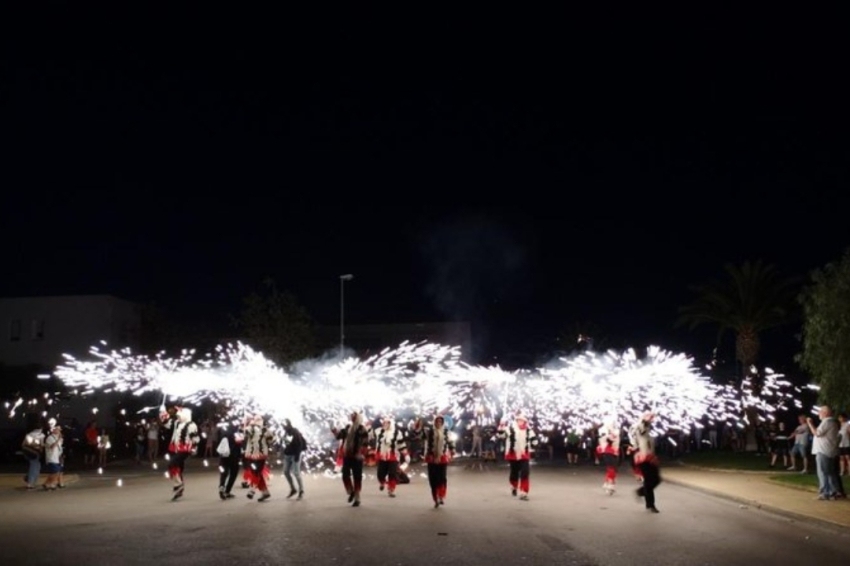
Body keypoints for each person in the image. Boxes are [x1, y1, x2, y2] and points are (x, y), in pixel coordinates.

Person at [414, 414, 455, 508]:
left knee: (442, 478)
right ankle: (435, 498)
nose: (439, 423)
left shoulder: (446, 432)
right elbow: (418, 435)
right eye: (437, 421)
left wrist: (452, 451)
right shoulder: (429, 432)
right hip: (431, 458)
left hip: (442, 458)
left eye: (440, 422)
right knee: (433, 479)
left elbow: (451, 442)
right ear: (434, 422)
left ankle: (441, 496)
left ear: (443, 423)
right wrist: (418, 426)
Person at [160, 406, 200, 501]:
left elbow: (195, 438)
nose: (178, 417)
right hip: (174, 448)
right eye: (177, 416)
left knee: (172, 464)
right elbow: (166, 423)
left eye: (179, 416)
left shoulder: (191, 425)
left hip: (185, 449)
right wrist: (163, 412)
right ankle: (180, 489)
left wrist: (194, 448)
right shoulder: (177, 423)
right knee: (179, 468)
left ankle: (178, 484)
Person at [496, 411, 538, 501]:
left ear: (525, 421)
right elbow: (501, 436)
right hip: (513, 454)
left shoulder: (529, 430)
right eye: (518, 420)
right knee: (514, 472)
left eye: (522, 420)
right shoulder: (510, 429)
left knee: (525, 472)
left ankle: (524, 492)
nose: (520, 422)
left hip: (524, 454)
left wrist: (534, 444)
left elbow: (534, 441)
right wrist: (501, 426)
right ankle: (514, 486)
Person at [332, 411, 370, 507]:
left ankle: (357, 498)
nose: (352, 418)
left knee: (357, 477)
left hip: (357, 457)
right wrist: (334, 430)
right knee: (345, 475)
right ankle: (351, 491)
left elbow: (366, 443)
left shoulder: (362, 429)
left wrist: (361, 453)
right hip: (347, 456)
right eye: (352, 416)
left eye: (354, 416)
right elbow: (339, 436)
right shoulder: (348, 427)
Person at [807, 406, 841, 500]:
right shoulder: (833, 422)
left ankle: (825, 492)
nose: (819, 414)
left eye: (820, 412)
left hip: (823, 451)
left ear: (825, 413)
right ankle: (833, 491)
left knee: (823, 473)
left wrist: (810, 423)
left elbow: (817, 433)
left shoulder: (827, 422)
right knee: (829, 472)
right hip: (829, 450)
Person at [630, 411, 661, 513]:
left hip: (650, 457)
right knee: (648, 481)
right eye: (650, 418)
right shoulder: (639, 427)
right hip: (642, 457)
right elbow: (641, 429)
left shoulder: (648, 430)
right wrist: (645, 419)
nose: (652, 420)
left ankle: (641, 491)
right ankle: (650, 504)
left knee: (657, 479)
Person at [372, 416, 409, 498]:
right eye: (384, 422)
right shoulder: (378, 431)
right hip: (382, 456)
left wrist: (406, 454)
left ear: (391, 423)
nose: (385, 424)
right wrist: (378, 416)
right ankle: (382, 482)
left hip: (393, 456)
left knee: (392, 473)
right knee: (380, 473)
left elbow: (401, 445)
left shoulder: (397, 433)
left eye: (387, 423)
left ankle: (391, 489)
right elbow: (372, 427)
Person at [243, 414, 275, 502]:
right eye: (256, 419)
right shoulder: (254, 428)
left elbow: (272, 440)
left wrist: (246, 423)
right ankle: (265, 492)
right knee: (256, 473)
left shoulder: (263, 429)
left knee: (256, 472)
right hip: (254, 454)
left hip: (259, 455)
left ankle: (252, 490)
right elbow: (246, 433)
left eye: (258, 419)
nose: (257, 421)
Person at [216, 423, 244, 500]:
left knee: (224, 473)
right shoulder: (236, 434)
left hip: (223, 456)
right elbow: (240, 442)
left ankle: (222, 486)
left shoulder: (223, 433)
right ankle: (227, 491)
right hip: (234, 456)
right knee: (233, 474)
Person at [282, 419, 307, 500]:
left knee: (296, 473)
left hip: (295, 454)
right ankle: (293, 489)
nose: (283, 427)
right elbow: (286, 443)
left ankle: (301, 490)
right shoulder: (286, 432)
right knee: (286, 472)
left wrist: (297, 456)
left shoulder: (295, 432)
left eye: (284, 425)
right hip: (287, 455)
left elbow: (299, 444)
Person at [596, 419, 620, 495]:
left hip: (614, 452)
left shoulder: (615, 431)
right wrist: (609, 433)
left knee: (613, 469)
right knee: (611, 469)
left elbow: (615, 438)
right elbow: (607, 440)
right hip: (608, 452)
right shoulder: (604, 432)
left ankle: (607, 483)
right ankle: (610, 485)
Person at [22, 417, 45, 490]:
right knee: (35, 467)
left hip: (28, 452)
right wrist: (40, 448)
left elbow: (24, 444)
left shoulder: (29, 434)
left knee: (33, 466)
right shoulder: (41, 435)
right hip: (36, 453)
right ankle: (31, 483)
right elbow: (41, 445)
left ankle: (30, 481)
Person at [43, 420, 65, 490]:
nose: (59, 431)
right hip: (51, 458)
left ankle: (47, 484)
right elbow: (52, 446)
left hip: (57, 458)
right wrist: (58, 439)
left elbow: (59, 448)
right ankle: (50, 484)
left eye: (60, 429)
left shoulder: (59, 438)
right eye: (57, 429)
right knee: (55, 472)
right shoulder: (50, 438)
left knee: (55, 472)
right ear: (53, 429)